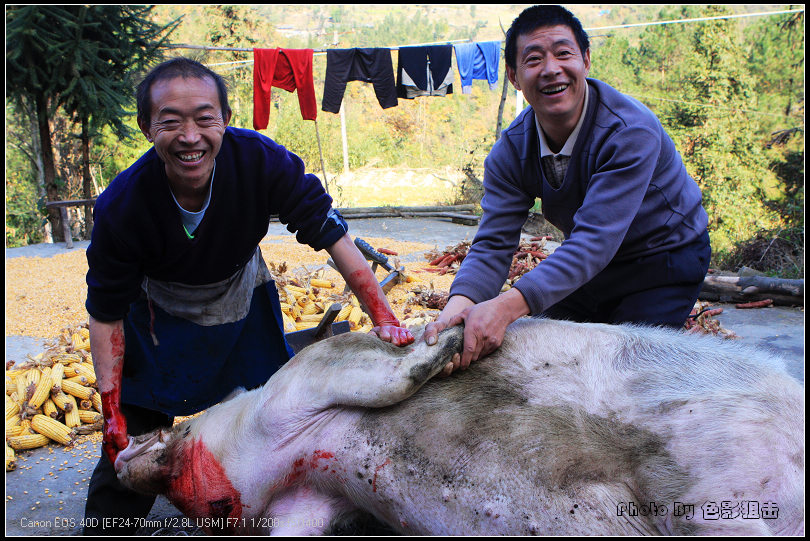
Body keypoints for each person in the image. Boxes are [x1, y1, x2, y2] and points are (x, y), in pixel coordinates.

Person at [83, 57, 413, 534]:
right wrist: (110, 411)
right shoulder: (122, 204)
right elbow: (105, 313)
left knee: (279, 414)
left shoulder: (259, 160)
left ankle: (291, 505)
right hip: (157, 314)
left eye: (204, 118)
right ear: (146, 128)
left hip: (242, 297)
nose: (190, 137)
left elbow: (329, 233)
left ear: (225, 120)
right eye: (171, 122)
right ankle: (106, 530)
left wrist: (383, 316)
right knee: (128, 443)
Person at [424, 5, 711, 374]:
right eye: (534, 59)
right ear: (514, 76)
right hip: (592, 267)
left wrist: (504, 306)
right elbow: (494, 243)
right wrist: (456, 313)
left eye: (563, 53)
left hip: (665, 258)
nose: (551, 69)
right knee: (544, 359)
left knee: (624, 371)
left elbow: (594, 242)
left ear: (586, 60)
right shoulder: (511, 152)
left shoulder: (629, 131)